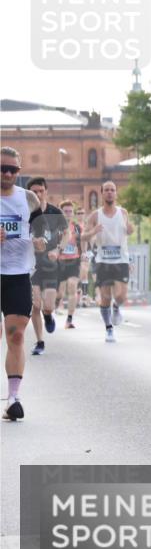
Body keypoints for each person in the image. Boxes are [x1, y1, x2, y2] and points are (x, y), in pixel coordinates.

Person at [1, 147, 41, 421]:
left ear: (19, 170)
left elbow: (47, 232)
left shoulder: (29, 199)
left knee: (15, 335)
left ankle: (13, 398)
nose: (6, 174)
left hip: (17, 275)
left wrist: (43, 242)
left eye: (12, 169)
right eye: (2, 169)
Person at [83, 181, 134, 343]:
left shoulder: (123, 212)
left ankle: (117, 308)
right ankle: (109, 329)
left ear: (116, 194)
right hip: (103, 261)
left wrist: (130, 228)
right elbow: (83, 237)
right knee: (105, 297)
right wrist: (93, 231)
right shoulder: (95, 215)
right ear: (102, 193)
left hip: (121, 260)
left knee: (121, 296)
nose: (110, 193)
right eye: (106, 190)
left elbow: (129, 230)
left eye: (112, 190)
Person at [26, 177, 68, 356]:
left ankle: (49, 315)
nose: (37, 194)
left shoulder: (54, 212)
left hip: (50, 263)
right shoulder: (24, 211)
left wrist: (58, 249)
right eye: (34, 191)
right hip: (31, 264)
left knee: (48, 306)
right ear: (29, 193)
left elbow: (66, 233)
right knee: (35, 304)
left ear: (46, 191)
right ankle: (40, 341)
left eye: (40, 191)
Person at [57, 201, 86, 328]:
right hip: (59, 262)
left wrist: (84, 253)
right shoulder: (55, 227)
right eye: (66, 211)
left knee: (72, 286)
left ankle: (69, 319)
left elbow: (84, 241)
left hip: (74, 261)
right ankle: (55, 304)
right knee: (59, 293)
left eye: (70, 211)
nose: (68, 213)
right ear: (61, 212)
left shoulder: (77, 227)